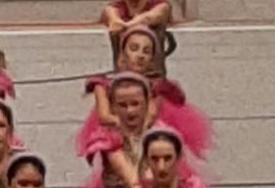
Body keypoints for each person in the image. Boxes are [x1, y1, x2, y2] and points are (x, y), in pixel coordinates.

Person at [76, 26, 212, 161]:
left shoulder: (157, 87)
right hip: (116, 134)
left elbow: (150, 116)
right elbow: (104, 116)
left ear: (152, 59)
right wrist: (125, 129)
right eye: (134, 49)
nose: (140, 55)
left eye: (146, 52)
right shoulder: (103, 85)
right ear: (123, 53)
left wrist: (139, 138)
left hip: (145, 135)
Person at [101, 0, 171, 75]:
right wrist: (115, 21)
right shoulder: (113, 8)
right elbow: (113, 17)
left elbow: (150, 17)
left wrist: (127, 25)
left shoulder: (161, 6)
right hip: (123, 81)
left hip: (154, 80)